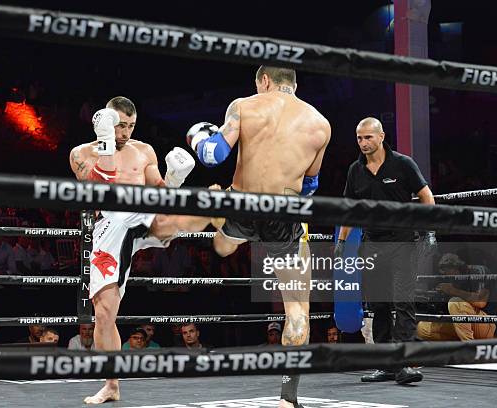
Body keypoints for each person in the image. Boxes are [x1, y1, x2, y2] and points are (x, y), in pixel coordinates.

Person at [187, 66, 330, 408]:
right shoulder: (320, 123)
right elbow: (311, 184)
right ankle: (287, 397)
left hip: (243, 200)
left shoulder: (244, 106)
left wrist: (196, 136)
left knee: (222, 247)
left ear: (264, 81)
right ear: (293, 85)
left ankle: (219, 214)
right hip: (284, 210)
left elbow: (213, 155)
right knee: (297, 312)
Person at [72, 97, 213, 405]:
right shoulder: (81, 153)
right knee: (104, 314)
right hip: (108, 228)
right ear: (106, 120)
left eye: (131, 126)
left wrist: (174, 180)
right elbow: (102, 187)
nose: (125, 132)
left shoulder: (144, 150)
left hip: (142, 214)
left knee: (164, 216)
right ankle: (111, 385)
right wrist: (106, 142)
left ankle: (217, 204)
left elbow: (159, 191)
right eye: (120, 125)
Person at [335, 117, 435, 385]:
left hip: (403, 241)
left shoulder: (403, 164)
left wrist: (428, 231)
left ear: (381, 136)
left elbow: (426, 196)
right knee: (378, 305)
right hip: (371, 244)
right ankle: (386, 366)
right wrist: (342, 242)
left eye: (368, 137)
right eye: (359, 138)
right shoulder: (355, 170)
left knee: (403, 303)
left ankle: (403, 364)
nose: (363, 143)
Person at [417, 253, 497, 341]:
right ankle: (457, 346)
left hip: (486, 323)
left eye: (448, 273)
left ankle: (470, 348)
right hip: (462, 325)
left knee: (455, 302)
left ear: (454, 267)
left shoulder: (479, 271)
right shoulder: (454, 280)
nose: (448, 277)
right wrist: (437, 295)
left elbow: (481, 301)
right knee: (422, 328)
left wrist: (452, 290)